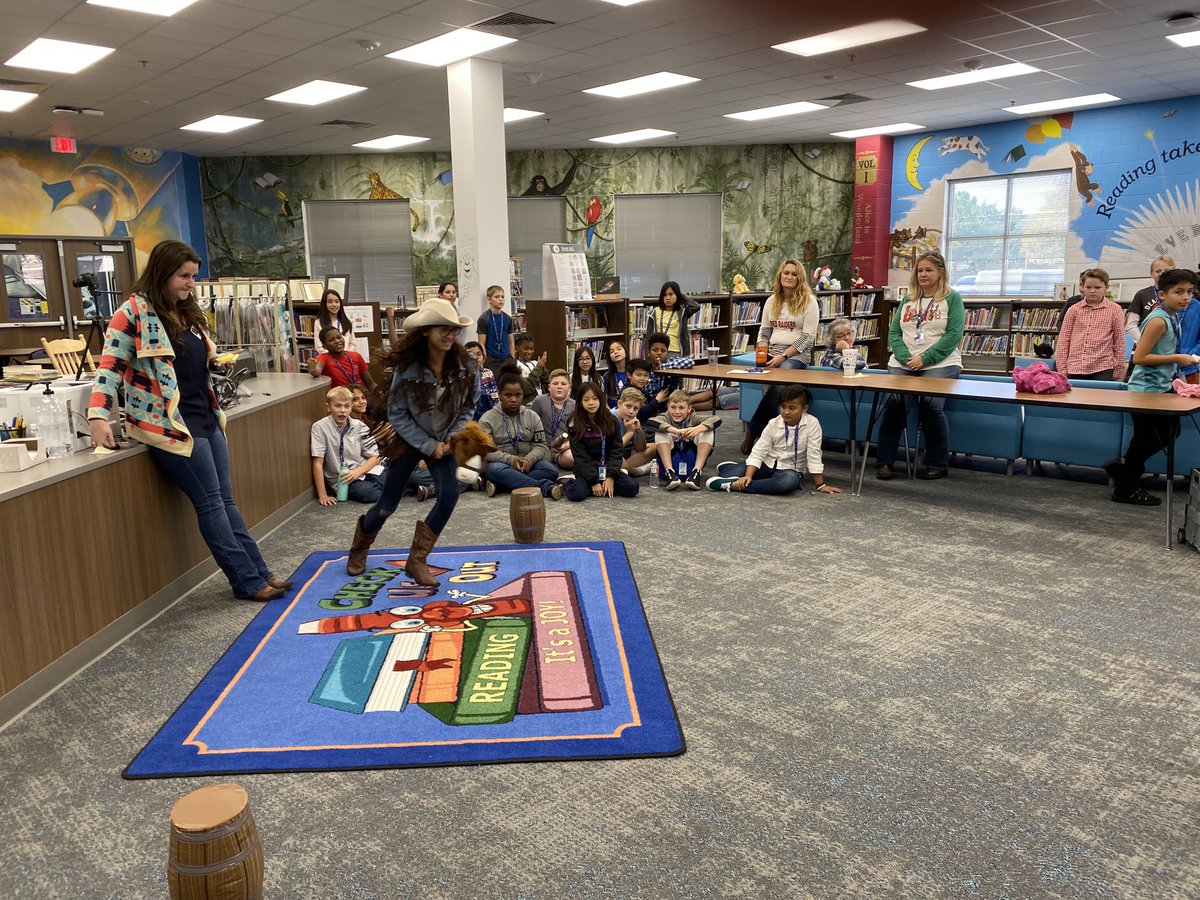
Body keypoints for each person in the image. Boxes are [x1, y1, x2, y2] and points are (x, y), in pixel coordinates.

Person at [87, 239, 291, 602]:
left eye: (193, 276)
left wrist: (217, 360)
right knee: (210, 503)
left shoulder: (188, 312)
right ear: (163, 272)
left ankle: (261, 572)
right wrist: (98, 416)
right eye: (184, 276)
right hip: (170, 426)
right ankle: (246, 581)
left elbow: (196, 359)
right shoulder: (132, 313)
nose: (190, 284)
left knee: (226, 500)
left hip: (206, 416)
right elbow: (109, 369)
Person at [345, 297, 478, 586]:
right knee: (387, 504)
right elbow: (397, 413)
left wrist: (451, 437)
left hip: (445, 437)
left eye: (453, 329)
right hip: (409, 439)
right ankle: (360, 546)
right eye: (443, 328)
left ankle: (417, 559)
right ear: (426, 331)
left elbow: (469, 405)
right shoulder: (408, 368)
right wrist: (429, 446)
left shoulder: (466, 364)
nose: (450, 335)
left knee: (449, 495)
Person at [1106, 268, 1198, 505]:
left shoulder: (1173, 316)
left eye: (1189, 291)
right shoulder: (1158, 320)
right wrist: (1177, 358)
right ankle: (1125, 487)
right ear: (1162, 294)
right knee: (1147, 439)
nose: (1186, 297)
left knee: (1167, 433)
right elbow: (1139, 357)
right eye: (1179, 291)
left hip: (1160, 387)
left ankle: (1123, 470)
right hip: (1145, 390)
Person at [875, 249, 965, 481]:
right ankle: (885, 461)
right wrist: (905, 356)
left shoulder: (952, 298)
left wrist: (925, 358)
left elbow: (954, 334)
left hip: (941, 362)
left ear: (940, 272)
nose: (923, 274)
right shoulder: (908, 299)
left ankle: (937, 463)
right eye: (920, 270)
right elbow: (894, 332)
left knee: (931, 406)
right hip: (904, 361)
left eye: (929, 270)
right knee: (894, 404)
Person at [741, 259, 819, 453]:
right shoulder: (772, 300)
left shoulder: (809, 301)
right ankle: (769, 442)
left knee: (779, 385)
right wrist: (762, 350)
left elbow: (808, 337)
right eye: (786, 273)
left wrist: (783, 356)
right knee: (770, 388)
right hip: (772, 351)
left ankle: (753, 432)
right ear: (780, 276)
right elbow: (764, 331)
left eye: (794, 274)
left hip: (795, 355)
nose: (789, 277)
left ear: (799, 278)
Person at [706, 386, 842, 494]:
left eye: (792, 408)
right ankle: (734, 472)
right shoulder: (774, 423)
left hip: (790, 470)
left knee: (787, 483)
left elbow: (814, 455)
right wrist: (748, 476)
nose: (786, 412)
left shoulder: (812, 424)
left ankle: (735, 485)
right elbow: (759, 451)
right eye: (783, 407)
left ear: (804, 408)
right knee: (727, 474)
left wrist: (820, 485)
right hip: (766, 463)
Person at [479, 366, 564, 500]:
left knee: (551, 471)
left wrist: (529, 460)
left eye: (518, 395)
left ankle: (501, 485)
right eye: (508, 395)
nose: (513, 399)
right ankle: (544, 487)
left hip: (528, 463)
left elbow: (541, 445)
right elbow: (486, 451)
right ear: (499, 394)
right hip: (501, 464)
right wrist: (511, 460)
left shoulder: (532, 416)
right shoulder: (487, 419)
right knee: (494, 470)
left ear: (523, 395)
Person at [311, 386, 384, 506]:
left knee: (405, 476)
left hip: (365, 470)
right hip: (344, 480)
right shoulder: (319, 427)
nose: (342, 410)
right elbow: (317, 462)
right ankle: (394, 488)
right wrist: (323, 495)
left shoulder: (359, 426)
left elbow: (375, 457)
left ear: (351, 407)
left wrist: (357, 472)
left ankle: (396, 485)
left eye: (346, 406)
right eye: (338, 406)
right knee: (369, 493)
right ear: (328, 407)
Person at [565, 383, 638, 501]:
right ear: (580, 402)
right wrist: (593, 481)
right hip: (586, 470)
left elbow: (616, 451)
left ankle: (603, 485)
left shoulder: (611, 421)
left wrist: (611, 476)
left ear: (601, 399)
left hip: (606, 467)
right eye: (586, 399)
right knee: (576, 494)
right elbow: (580, 456)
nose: (591, 403)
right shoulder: (574, 423)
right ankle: (568, 482)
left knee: (632, 488)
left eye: (595, 399)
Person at [1055, 268, 1125, 380]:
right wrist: (1062, 369)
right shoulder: (1073, 310)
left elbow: (1119, 341)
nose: (1092, 291)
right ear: (1082, 287)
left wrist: (1118, 368)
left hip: (1103, 367)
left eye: (1097, 287)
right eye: (1088, 287)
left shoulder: (1115, 310)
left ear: (1106, 287)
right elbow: (1064, 340)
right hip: (1075, 366)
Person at [650, 389, 721, 489]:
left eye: (681, 408)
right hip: (671, 461)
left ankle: (696, 473)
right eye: (673, 407)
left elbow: (716, 419)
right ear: (668, 407)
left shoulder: (693, 417)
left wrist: (697, 429)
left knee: (706, 429)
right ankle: (670, 474)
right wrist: (675, 431)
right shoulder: (665, 417)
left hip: (690, 461)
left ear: (689, 409)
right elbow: (651, 422)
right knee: (661, 431)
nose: (677, 412)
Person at [530, 368, 575, 470]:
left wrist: (566, 446)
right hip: (542, 446)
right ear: (549, 387)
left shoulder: (575, 405)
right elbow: (530, 425)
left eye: (563, 384)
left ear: (569, 387)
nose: (559, 386)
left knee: (570, 458)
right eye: (555, 383)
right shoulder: (540, 401)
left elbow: (578, 434)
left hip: (565, 447)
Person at [309, 326, 377, 392]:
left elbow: (370, 383)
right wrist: (312, 370)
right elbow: (317, 371)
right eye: (331, 340)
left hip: (358, 395)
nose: (337, 341)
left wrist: (379, 394)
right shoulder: (323, 357)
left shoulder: (356, 356)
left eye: (339, 337)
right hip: (341, 397)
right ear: (324, 346)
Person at [1126, 256, 1175, 343]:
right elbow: (1131, 324)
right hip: (1144, 344)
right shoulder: (1142, 294)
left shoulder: (1179, 296)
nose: (1162, 274)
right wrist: (1144, 343)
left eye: (1167, 271)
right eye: (1158, 271)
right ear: (1151, 274)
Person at [645, 281, 700, 356]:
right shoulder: (654, 312)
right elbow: (648, 337)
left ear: (677, 295)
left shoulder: (682, 312)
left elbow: (696, 306)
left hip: (676, 352)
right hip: (659, 352)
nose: (667, 298)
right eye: (665, 295)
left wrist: (680, 295)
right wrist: (648, 356)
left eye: (671, 294)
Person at [476, 284, 515, 372]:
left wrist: (512, 359)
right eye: (497, 297)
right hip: (491, 360)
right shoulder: (484, 319)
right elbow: (481, 343)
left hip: (506, 358)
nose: (500, 299)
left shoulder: (508, 318)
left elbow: (511, 342)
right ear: (489, 299)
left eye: (502, 297)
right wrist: (484, 360)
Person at [616, 387, 655, 472]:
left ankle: (627, 469)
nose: (631, 411)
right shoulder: (610, 418)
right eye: (628, 406)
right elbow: (614, 449)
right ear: (619, 403)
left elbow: (640, 448)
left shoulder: (632, 419)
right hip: (612, 455)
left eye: (635, 408)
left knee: (654, 447)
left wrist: (638, 430)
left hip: (626, 453)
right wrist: (630, 432)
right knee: (618, 459)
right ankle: (636, 471)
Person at [464, 340, 498, 419]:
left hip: (488, 414)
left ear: (483, 357)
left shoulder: (488, 373)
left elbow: (495, 397)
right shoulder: (462, 376)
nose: (476, 358)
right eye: (471, 355)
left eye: (479, 354)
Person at [314, 288, 354, 353]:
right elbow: (319, 346)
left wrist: (346, 355)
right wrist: (334, 357)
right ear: (324, 304)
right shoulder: (319, 322)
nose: (334, 305)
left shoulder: (346, 322)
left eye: (337, 301)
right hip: (328, 358)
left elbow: (352, 343)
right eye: (330, 302)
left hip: (346, 357)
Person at [514, 333, 549, 402]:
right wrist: (539, 368)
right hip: (527, 403)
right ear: (517, 348)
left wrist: (543, 369)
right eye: (526, 349)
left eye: (531, 349)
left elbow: (546, 383)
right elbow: (525, 388)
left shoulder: (535, 363)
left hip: (542, 401)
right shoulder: (515, 366)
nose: (529, 352)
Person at [603, 339, 631, 408]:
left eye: (619, 349)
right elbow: (604, 402)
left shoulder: (633, 373)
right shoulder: (607, 376)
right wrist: (611, 413)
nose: (616, 352)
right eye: (612, 351)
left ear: (626, 353)